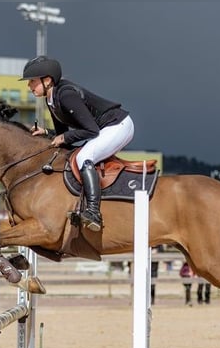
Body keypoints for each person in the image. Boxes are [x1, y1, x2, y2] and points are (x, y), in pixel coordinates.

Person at [20, 56, 135, 232]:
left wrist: (64, 138)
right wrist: (48, 133)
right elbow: (62, 134)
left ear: (48, 80)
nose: (29, 86)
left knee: (84, 157)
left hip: (118, 126)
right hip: (104, 128)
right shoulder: (51, 99)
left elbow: (91, 131)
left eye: (32, 81)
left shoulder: (65, 95)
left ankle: (94, 212)